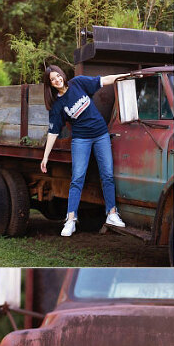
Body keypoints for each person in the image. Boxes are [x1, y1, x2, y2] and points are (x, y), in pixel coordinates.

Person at [41, 65, 129, 237]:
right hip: (81, 140)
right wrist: (45, 157)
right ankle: (71, 220)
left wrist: (125, 75)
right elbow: (53, 132)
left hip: (101, 135)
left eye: (58, 76)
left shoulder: (78, 83)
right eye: (52, 79)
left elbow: (104, 81)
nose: (57, 80)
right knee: (77, 178)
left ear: (62, 74)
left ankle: (111, 214)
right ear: (50, 84)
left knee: (108, 175)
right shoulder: (57, 105)